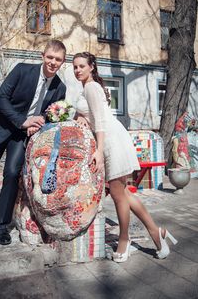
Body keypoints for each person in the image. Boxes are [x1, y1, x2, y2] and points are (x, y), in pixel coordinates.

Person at [0, 40, 67, 245]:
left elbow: (51, 113)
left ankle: (1, 226)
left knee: (11, 174)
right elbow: (1, 98)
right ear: (43, 56)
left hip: (21, 135)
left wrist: (38, 123)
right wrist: (23, 121)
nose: (53, 62)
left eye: (58, 59)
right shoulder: (22, 70)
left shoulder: (60, 87)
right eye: (50, 57)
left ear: (63, 62)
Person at [73, 51, 177, 262]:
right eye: (75, 67)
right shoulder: (89, 87)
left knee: (119, 195)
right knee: (125, 194)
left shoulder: (91, 86)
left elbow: (100, 121)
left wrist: (99, 151)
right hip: (113, 137)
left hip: (110, 140)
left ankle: (124, 239)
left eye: (81, 66)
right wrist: (80, 116)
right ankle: (156, 232)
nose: (77, 70)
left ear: (91, 67)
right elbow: (93, 114)